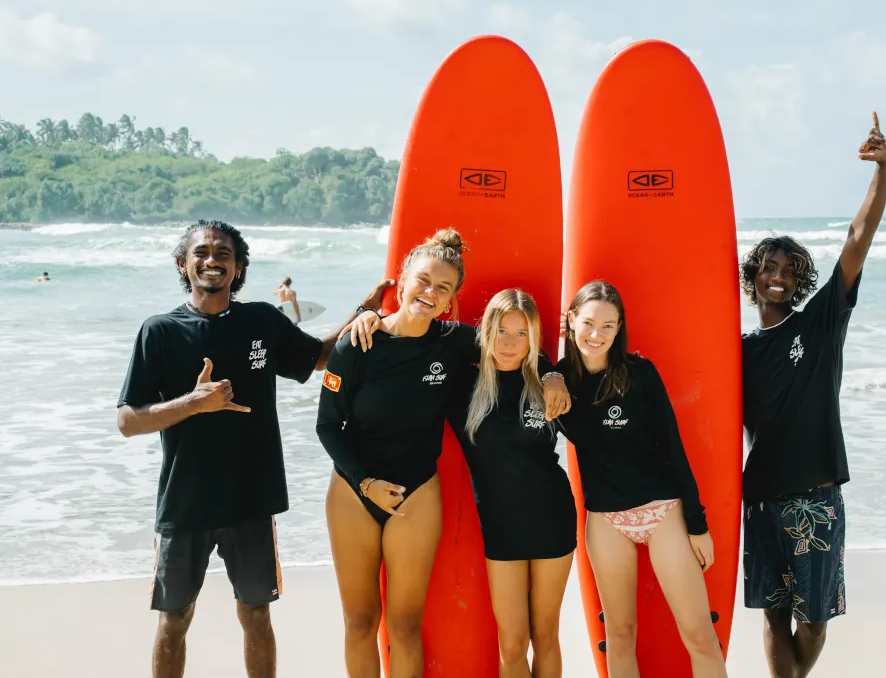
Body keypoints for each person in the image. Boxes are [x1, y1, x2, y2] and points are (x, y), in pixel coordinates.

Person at [115, 219, 391, 678]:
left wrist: (361, 313)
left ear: (238, 266)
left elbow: (318, 356)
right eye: (201, 252)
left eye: (223, 254)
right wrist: (193, 404)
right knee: (175, 617)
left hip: (251, 497)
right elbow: (127, 421)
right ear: (183, 265)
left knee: (255, 614)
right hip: (186, 500)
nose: (211, 261)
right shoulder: (160, 332)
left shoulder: (262, 320)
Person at [316, 229, 570, 678]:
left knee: (406, 625)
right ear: (402, 279)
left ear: (452, 299)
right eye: (423, 281)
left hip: (417, 493)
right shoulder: (357, 344)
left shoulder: (453, 342)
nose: (430, 293)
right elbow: (327, 427)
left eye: (443, 288)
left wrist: (552, 375)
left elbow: (513, 345)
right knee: (359, 623)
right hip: (354, 490)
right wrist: (366, 483)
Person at [739, 112, 886, 678]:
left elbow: (858, 238)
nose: (777, 276)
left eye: (788, 269)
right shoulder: (739, 349)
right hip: (761, 499)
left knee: (816, 621)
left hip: (815, 496)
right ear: (753, 276)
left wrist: (884, 168)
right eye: (768, 267)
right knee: (774, 616)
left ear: (800, 280)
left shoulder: (821, 323)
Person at [556, 281, 727, 678]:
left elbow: (674, 449)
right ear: (571, 321)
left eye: (608, 326)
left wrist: (697, 526)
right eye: (588, 323)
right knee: (618, 634)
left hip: (661, 510)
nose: (596, 335)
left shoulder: (640, 374)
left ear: (619, 330)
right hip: (604, 520)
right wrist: (549, 376)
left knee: (700, 634)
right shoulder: (559, 382)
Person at [446, 289, 576, 678]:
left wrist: (553, 373)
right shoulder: (463, 384)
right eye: (502, 331)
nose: (509, 343)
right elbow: (415, 340)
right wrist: (367, 316)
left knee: (546, 634)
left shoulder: (547, 381)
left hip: (552, 515)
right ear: (486, 331)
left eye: (522, 334)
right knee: (513, 641)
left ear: (533, 338)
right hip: (501, 526)